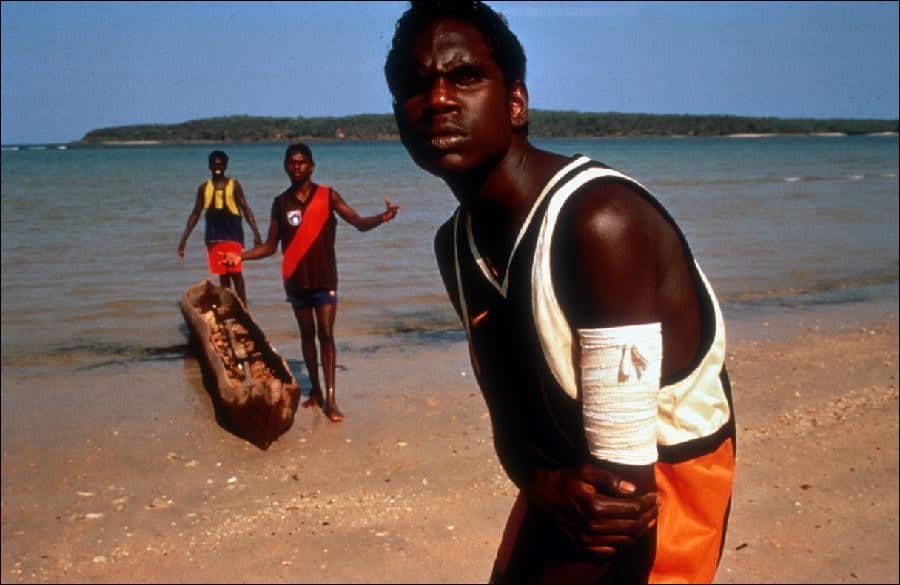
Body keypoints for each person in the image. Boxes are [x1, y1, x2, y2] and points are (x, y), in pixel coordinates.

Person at [384, 2, 736, 583]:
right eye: (416, 86)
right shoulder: (456, 245)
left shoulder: (599, 223)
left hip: (658, 504)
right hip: (565, 488)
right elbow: (513, 430)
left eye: (465, 76)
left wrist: (550, 485)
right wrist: (543, 482)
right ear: (399, 115)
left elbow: (625, 496)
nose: (440, 99)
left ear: (516, 102)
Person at [222, 142, 400, 423]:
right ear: (285, 166)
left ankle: (331, 399)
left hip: (325, 279)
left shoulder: (328, 196)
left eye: (301, 162)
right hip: (295, 281)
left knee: (326, 334)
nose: (296, 167)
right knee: (307, 336)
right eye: (291, 162)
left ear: (312, 166)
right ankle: (315, 391)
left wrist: (383, 217)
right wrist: (240, 256)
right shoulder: (281, 203)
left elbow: (359, 223)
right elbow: (269, 246)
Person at [177, 150, 262, 305]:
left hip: (233, 236)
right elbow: (195, 213)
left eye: (220, 164)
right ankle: (228, 306)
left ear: (226, 166)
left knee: (236, 272)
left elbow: (245, 208)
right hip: (213, 237)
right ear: (209, 166)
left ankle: (243, 306)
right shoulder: (204, 188)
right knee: (223, 275)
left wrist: (256, 232)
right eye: (214, 164)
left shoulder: (234, 186)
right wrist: (184, 239)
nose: (217, 167)